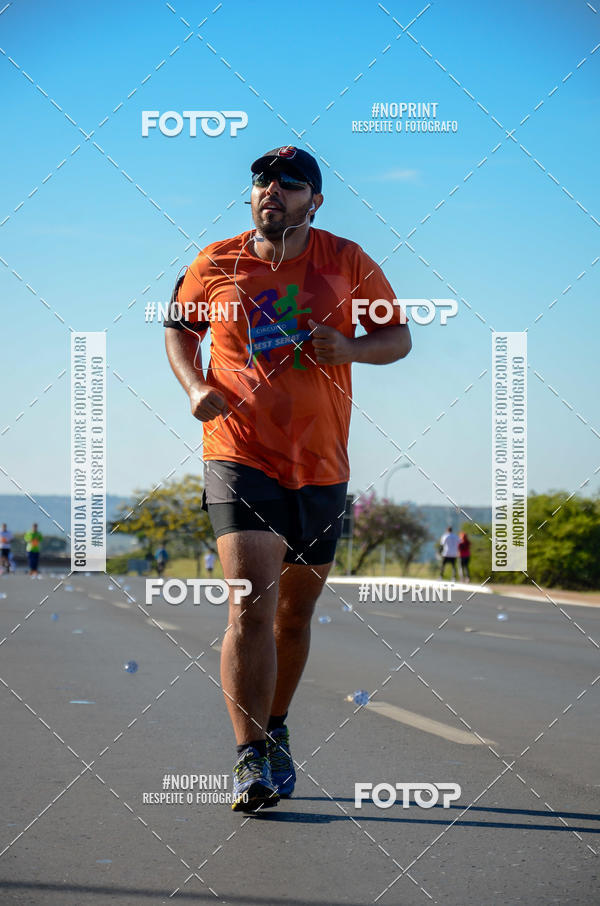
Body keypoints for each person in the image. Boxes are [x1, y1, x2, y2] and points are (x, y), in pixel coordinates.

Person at [164, 145, 412, 812]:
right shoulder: (216, 262)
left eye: (290, 182)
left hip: (323, 465)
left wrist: (353, 347)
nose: (272, 189)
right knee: (250, 603)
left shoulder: (347, 261)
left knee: (294, 619)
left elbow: (400, 339)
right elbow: (179, 331)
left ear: (315, 200)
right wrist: (193, 386)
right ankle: (248, 759)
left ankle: (274, 728)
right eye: (261, 181)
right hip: (239, 453)